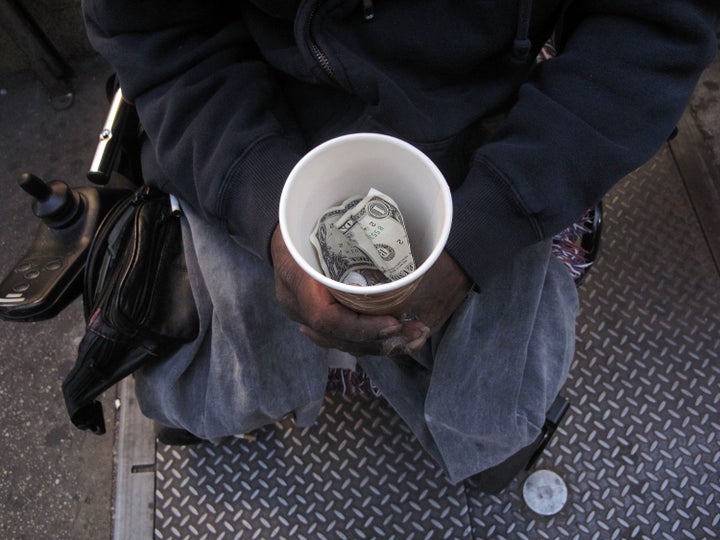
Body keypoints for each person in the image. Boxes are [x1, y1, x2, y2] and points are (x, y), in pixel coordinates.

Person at [81, 1, 719, 484]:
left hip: (487, 115)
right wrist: (265, 209)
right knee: (213, 362)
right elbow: (153, 33)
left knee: (491, 419)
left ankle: (472, 435)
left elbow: (654, 27)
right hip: (250, 106)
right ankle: (262, 399)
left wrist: (486, 227)